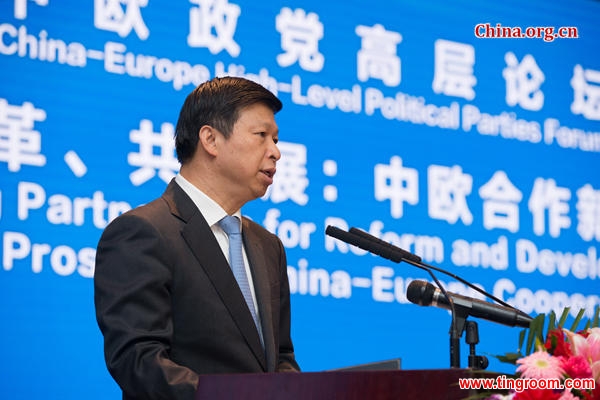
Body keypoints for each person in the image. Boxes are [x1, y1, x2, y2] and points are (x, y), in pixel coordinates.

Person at [94, 76, 300, 400]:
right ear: (211, 139)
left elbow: (281, 358)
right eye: (262, 136)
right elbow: (140, 361)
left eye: (276, 139)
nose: (276, 152)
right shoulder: (143, 232)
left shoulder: (268, 246)